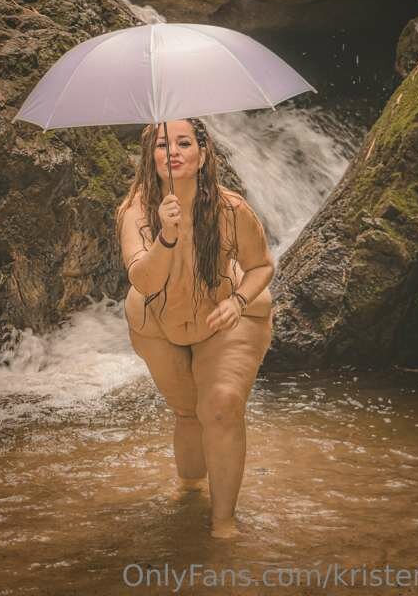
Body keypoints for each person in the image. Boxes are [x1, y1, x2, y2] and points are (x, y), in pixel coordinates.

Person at [115, 117, 275, 539]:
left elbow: (261, 266)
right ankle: (189, 490)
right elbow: (144, 281)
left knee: (220, 407)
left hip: (228, 316)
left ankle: (223, 523)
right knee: (188, 413)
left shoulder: (231, 209)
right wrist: (166, 236)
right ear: (150, 157)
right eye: (162, 144)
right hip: (155, 323)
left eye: (184, 143)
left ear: (203, 156)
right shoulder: (135, 212)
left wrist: (238, 301)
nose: (173, 151)